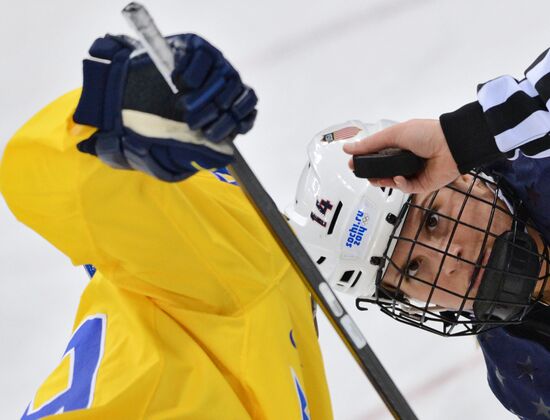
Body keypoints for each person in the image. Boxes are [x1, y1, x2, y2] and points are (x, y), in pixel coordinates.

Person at [0, 33, 332, 419]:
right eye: (422, 223)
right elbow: (55, 184)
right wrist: (110, 112)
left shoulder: (260, 269)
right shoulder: (245, 257)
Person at [287, 48, 550, 419]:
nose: (449, 260)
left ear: (463, 179)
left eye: (432, 220)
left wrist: (467, 135)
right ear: (412, 302)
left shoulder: (539, 150)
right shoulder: (521, 373)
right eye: (413, 269)